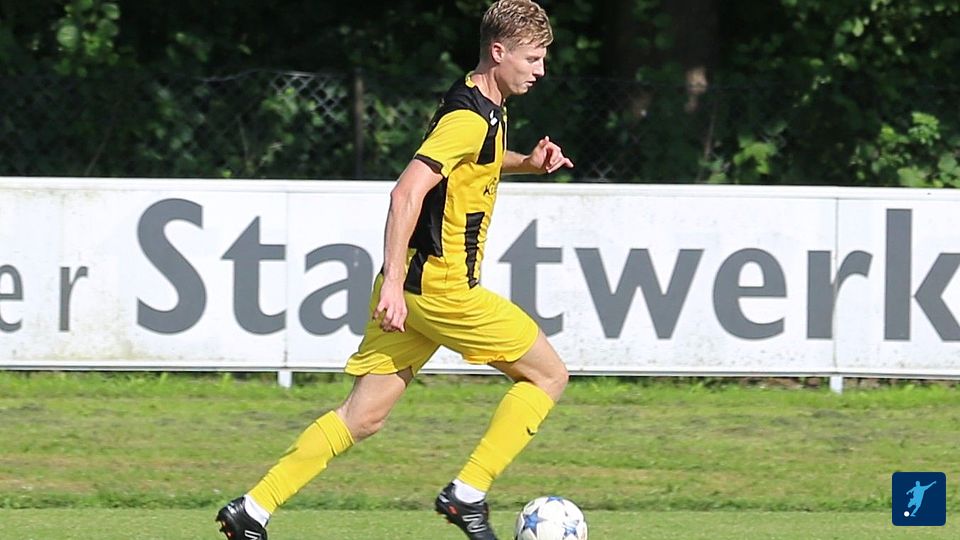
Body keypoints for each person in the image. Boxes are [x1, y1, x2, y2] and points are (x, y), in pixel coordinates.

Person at [215, 1, 573, 539]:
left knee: (362, 417)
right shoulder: (468, 117)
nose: (540, 70)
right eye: (533, 58)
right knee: (549, 375)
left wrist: (527, 162)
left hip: (414, 290)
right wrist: (396, 285)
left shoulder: (481, 103)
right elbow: (406, 192)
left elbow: (474, 160)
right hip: (443, 288)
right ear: (499, 52)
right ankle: (468, 492)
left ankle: (252, 509)